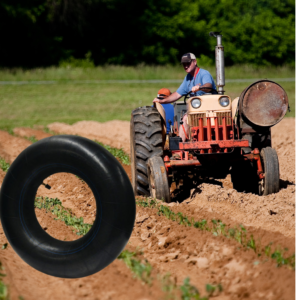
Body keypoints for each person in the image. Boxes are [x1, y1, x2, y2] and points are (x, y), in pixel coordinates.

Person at [153, 53, 216, 142]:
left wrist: (200, 87)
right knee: (185, 119)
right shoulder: (188, 78)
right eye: (184, 64)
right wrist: (162, 101)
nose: (186, 66)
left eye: (188, 63)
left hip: (210, 109)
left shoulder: (204, 73)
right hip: (196, 111)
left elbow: (208, 85)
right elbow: (177, 94)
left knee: (187, 118)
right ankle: (180, 148)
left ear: (195, 62)